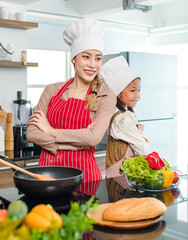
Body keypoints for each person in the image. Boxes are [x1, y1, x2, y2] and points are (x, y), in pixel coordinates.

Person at [26, 18, 116, 183]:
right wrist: (68, 145)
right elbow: (31, 133)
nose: (92, 64)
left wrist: (50, 130)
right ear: (74, 58)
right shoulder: (52, 90)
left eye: (98, 58)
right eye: (86, 57)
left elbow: (93, 138)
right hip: (48, 175)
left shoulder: (106, 96)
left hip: (84, 177)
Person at [99, 56, 150, 176]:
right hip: (124, 175)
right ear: (118, 92)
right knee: (124, 194)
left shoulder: (115, 112)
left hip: (114, 173)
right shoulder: (123, 120)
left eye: (139, 89)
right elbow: (141, 148)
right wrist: (156, 165)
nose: (137, 95)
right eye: (132, 90)